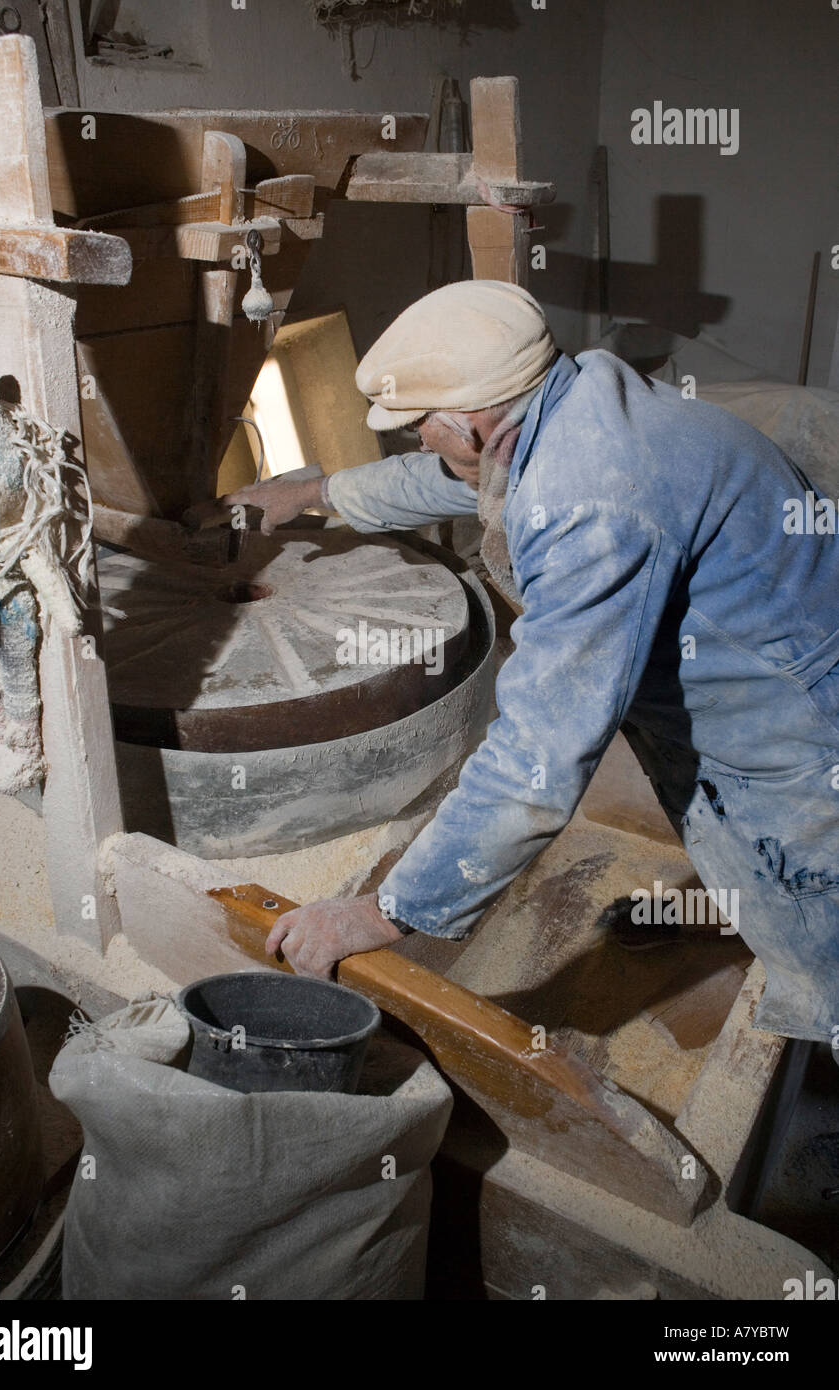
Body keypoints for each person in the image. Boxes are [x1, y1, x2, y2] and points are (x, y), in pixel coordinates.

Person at [189, 280, 839, 1044]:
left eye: (416, 427)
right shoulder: (577, 398)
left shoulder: (590, 506)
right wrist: (319, 491)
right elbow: (475, 481)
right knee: (760, 880)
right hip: (775, 672)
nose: (414, 440)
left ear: (470, 423)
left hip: (794, 747)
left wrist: (384, 910)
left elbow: (540, 753)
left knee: (817, 930)